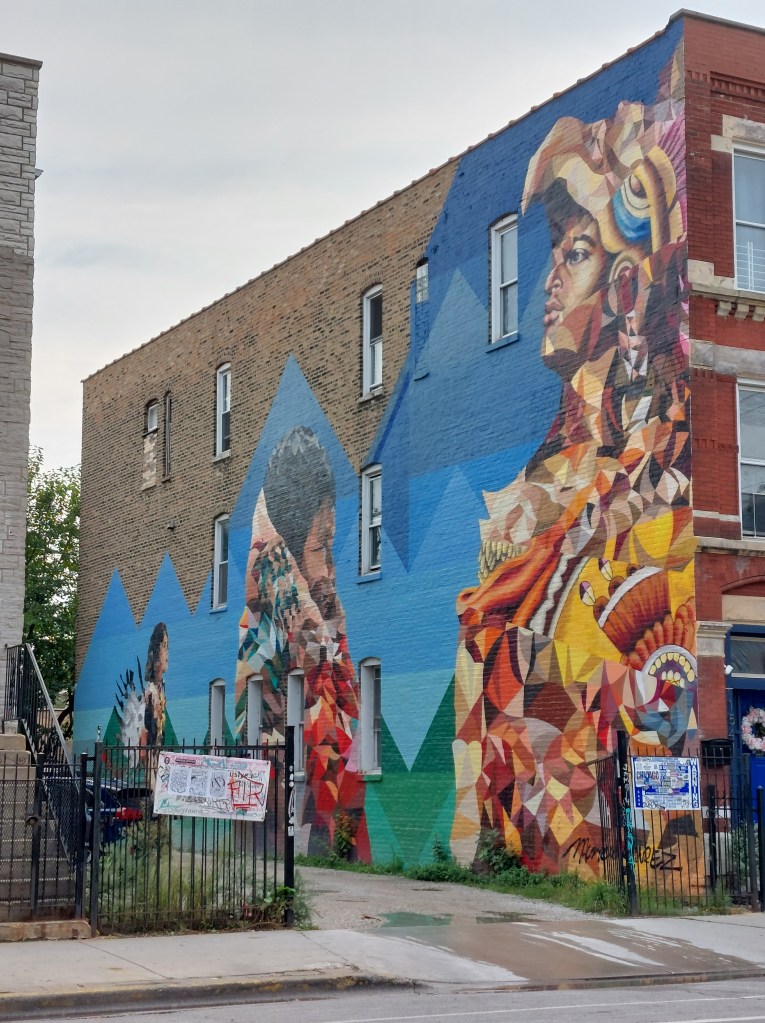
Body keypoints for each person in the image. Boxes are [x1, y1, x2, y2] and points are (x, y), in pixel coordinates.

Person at [452, 50, 698, 874]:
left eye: (577, 251)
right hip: (533, 808)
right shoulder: (549, 470)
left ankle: (635, 862)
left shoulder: (651, 454)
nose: (550, 278)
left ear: (626, 284)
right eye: (555, 249)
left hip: (607, 799)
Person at [235, 426, 368, 859]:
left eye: (331, 548)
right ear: (289, 556)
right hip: (279, 824)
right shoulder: (282, 636)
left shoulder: (306, 622)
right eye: (320, 548)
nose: (330, 569)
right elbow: (336, 757)